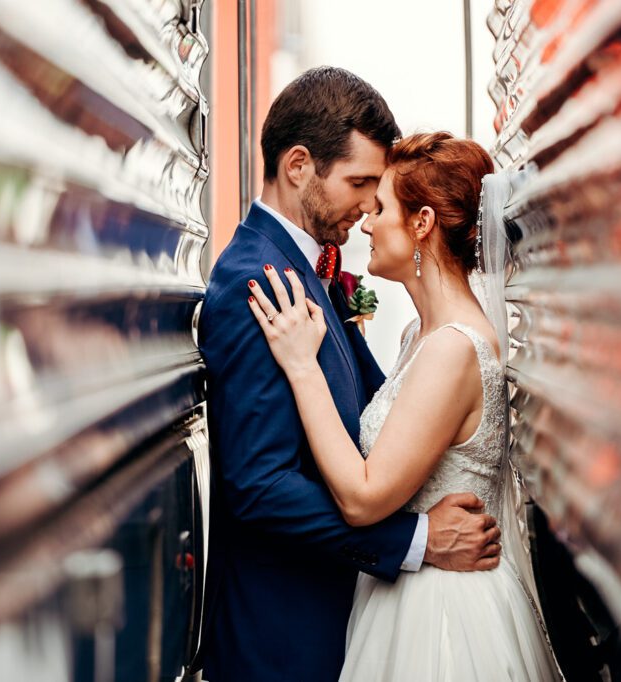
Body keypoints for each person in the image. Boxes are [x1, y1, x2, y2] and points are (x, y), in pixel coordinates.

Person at [190, 68, 502, 682]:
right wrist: (416, 541)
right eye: (360, 183)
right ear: (299, 166)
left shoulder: (309, 275)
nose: (366, 207)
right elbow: (258, 484)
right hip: (281, 639)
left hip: (350, 623)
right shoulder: (259, 284)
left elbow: (390, 417)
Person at [245, 131, 563, 680]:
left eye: (383, 207)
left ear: (422, 224)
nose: (366, 222)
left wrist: (302, 367)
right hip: (403, 592)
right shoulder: (421, 335)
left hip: (443, 619)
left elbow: (364, 498)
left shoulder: (452, 350)